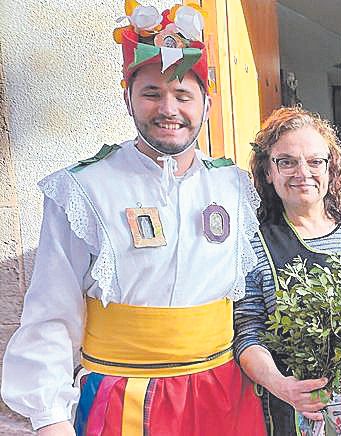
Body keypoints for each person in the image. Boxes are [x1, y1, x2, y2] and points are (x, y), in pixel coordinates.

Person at [1, 3, 267, 435]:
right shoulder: (84, 189)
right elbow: (52, 311)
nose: (169, 108)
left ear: (207, 104)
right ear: (127, 99)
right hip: (122, 397)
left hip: (223, 396)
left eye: (183, 95)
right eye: (151, 94)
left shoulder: (234, 186)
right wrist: (50, 418)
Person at [233, 107, 341, 436]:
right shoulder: (254, 240)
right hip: (296, 411)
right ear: (267, 171)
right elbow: (247, 331)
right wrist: (280, 385)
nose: (302, 172)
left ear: (331, 168)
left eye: (315, 161)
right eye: (286, 161)